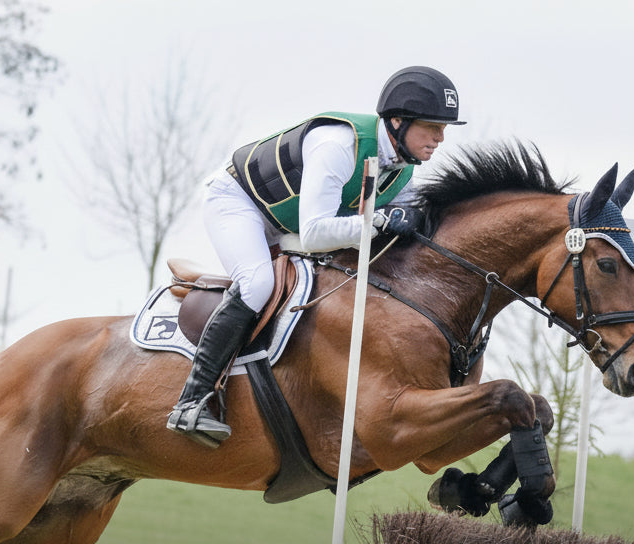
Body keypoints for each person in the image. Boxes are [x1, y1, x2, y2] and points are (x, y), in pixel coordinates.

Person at [166, 65, 466, 447]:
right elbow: (314, 232)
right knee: (257, 284)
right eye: (432, 126)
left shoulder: (404, 172)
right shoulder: (339, 145)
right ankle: (192, 400)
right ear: (397, 122)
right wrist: (380, 221)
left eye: (444, 130)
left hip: (286, 219)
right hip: (239, 202)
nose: (440, 138)